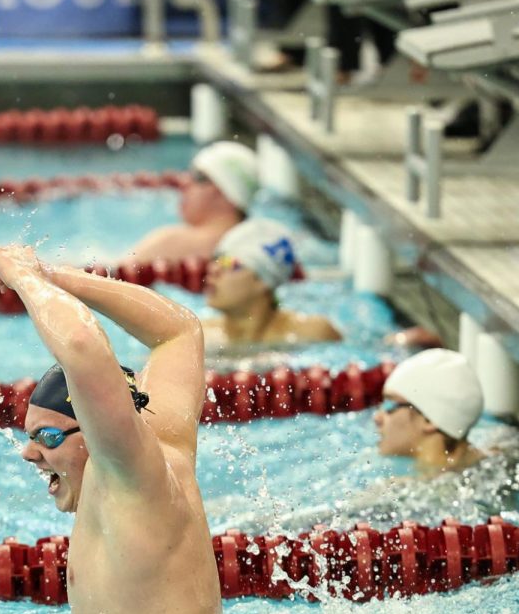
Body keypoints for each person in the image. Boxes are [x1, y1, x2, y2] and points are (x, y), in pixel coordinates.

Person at [0, 243, 236, 614]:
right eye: (30, 435)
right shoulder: (163, 441)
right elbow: (179, 333)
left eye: (48, 438)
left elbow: (81, 344)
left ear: (97, 431)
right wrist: (53, 274)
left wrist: (27, 280)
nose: (29, 454)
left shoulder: (126, 472)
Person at [204, 218, 342, 348]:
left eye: (230, 263)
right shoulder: (201, 336)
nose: (213, 270)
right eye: (215, 260)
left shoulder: (312, 333)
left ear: (263, 280)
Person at [126, 141, 258, 266]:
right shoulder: (257, 247)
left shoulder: (171, 242)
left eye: (198, 176)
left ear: (225, 190)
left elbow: (110, 283)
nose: (185, 182)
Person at [375, 349, 485, 473]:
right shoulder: (488, 463)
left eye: (391, 405)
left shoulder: (409, 490)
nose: (377, 417)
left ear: (429, 420)